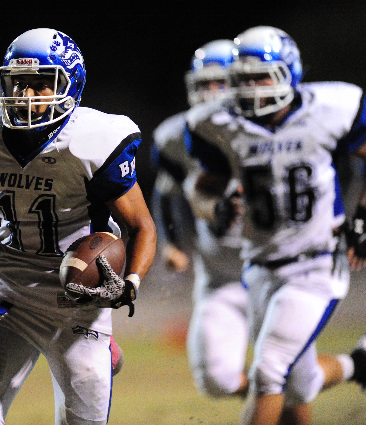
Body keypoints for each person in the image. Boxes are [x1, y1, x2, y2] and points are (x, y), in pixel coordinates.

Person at [0, 28, 156, 425]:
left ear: (70, 86)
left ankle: (103, 347)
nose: (25, 96)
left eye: (40, 84)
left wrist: (131, 283)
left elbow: (141, 225)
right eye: (18, 83)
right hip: (14, 293)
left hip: (78, 302)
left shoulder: (92, 142)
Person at [185, 26, 366, 425]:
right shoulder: (219, 123)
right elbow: (202, 188)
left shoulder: (331, 107)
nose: (251, 89)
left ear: (289, 73)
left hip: (315, 262)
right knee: (300, 386)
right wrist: (211, 208)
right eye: (242, 79)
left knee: (267, 372)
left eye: (261, 77)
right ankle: (358, 364)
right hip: (260, 266)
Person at [151, 39, 251, 398]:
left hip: (277, 265)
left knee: (285, 374)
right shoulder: (175, 136)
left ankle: (349, 366)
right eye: (203, 84)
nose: (211, 93)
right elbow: (168, 194)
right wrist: (174, 243)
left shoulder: (273, 126)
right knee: (215, 380)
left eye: (219, 83)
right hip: (220, 273)